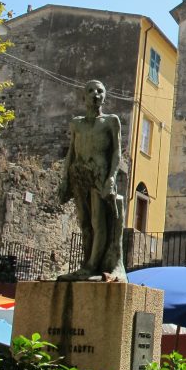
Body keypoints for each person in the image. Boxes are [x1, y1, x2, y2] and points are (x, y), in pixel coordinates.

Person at [57, 79, 126, 281]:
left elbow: (116, 153)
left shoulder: (111, 121)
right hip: (79, 175)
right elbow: (71, 151)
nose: (96, 94)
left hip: (100, 175)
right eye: (91, 91)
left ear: (104, 96)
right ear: (84, 96)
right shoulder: (76, 123)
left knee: (98, 221)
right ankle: (86, 263)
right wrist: (64, 179)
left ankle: (92, 266)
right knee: (85, 223)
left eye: (100, 91)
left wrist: (112, 178)